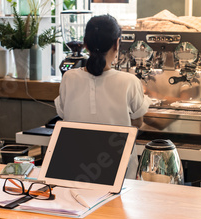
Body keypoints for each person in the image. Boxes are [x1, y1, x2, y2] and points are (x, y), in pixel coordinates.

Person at [54, 14, 151, 179]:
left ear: (85, 44)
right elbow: (137, 123)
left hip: (74, 170)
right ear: (117, 43)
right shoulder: (129, 81)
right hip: (118, 175)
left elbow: (65, 116)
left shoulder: (68, 77)